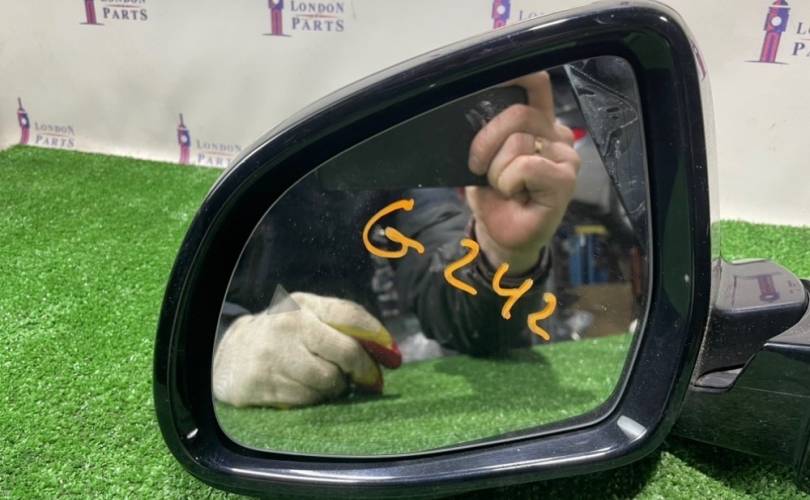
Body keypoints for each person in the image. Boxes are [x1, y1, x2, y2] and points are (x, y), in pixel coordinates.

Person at [213, 71, 581, 408]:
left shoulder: (384, 148)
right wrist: (224, 343)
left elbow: (463, 314)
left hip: (360, 387)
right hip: (239, 406)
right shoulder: (210, 136)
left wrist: (501, 256)